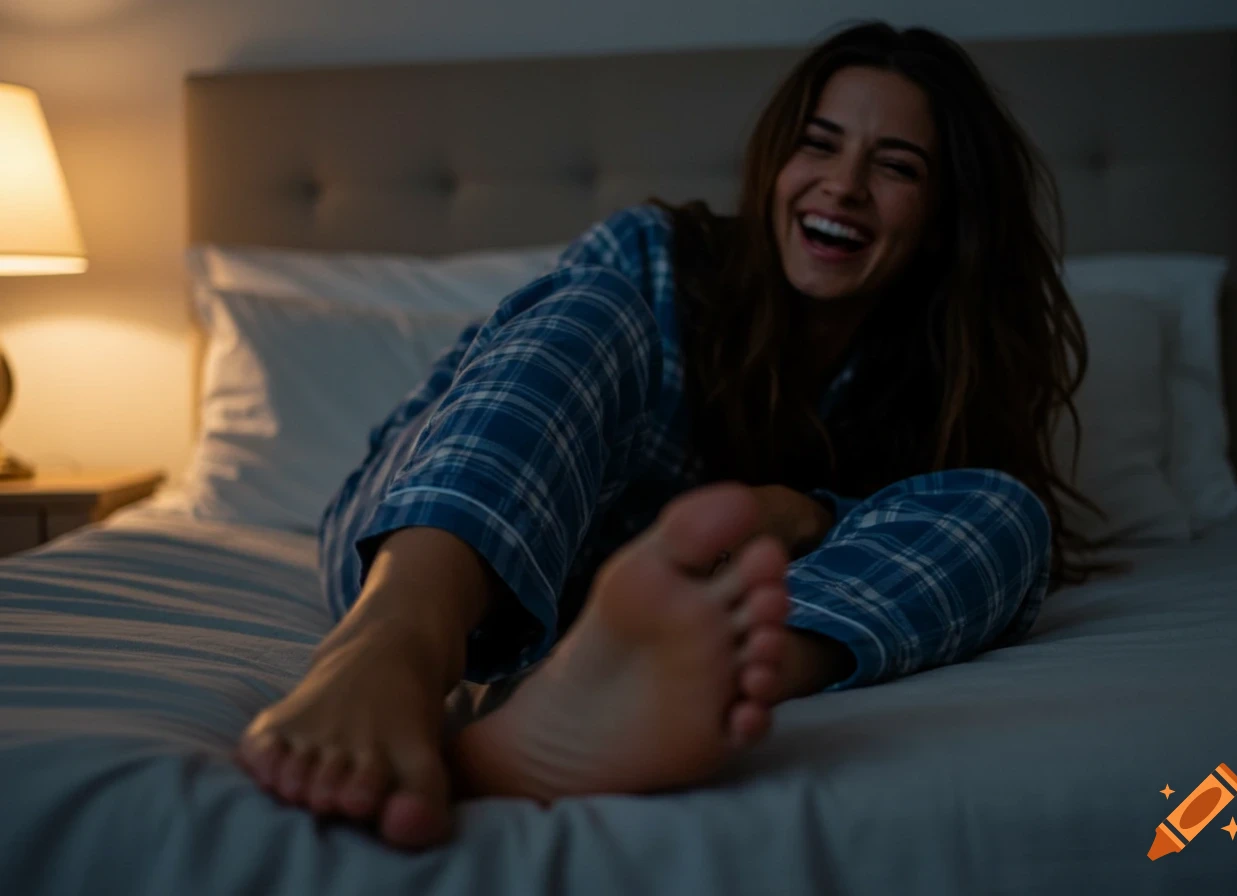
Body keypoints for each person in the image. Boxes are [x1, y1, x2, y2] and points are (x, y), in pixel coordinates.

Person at [235, 20, 1097, 850]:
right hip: (425, 537)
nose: (843, 184)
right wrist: (776, 511)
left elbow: (948, 527)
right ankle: (395, 646)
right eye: (819, 144)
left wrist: (806, 512)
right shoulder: (656, 255)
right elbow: (519, 395)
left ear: (947, 215)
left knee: (1006, 511)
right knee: (591, 302)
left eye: (896, 166)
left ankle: (627, 697)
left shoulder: (937, 391)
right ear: (775, 162)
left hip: (629, 626)